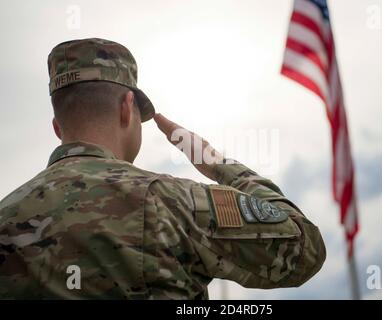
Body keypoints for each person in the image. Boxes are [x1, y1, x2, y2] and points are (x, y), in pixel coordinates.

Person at [0, 38, 326, 299]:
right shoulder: (168, 200)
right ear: (127, 109)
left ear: (58, 127)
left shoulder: (6, 216)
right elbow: (304, 247)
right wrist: (217, 164)